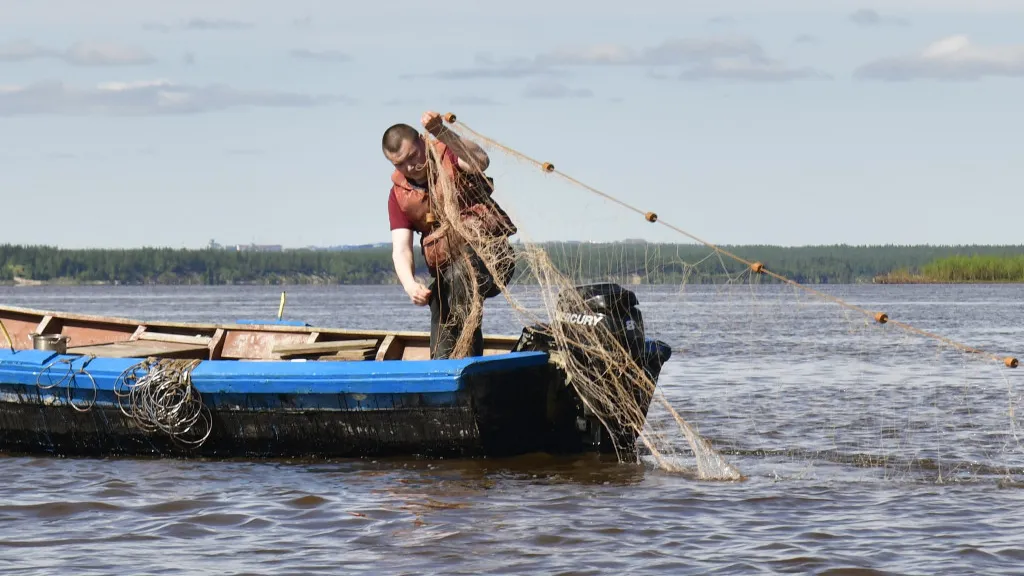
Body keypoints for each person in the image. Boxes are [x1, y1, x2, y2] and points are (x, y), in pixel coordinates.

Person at [383, 111, 516, 359]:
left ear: (422, 142)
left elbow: (480, 161)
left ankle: (468, 368)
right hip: (451, 276)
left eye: (412, 156)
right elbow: (400, 249)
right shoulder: (398, 196)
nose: (410, 167)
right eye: (399, 164)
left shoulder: (450, 155)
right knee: (441, 297)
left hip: (494, 260)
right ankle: (443, 369)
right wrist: (409, 284)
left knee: (458, 279)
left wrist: (441, 131)